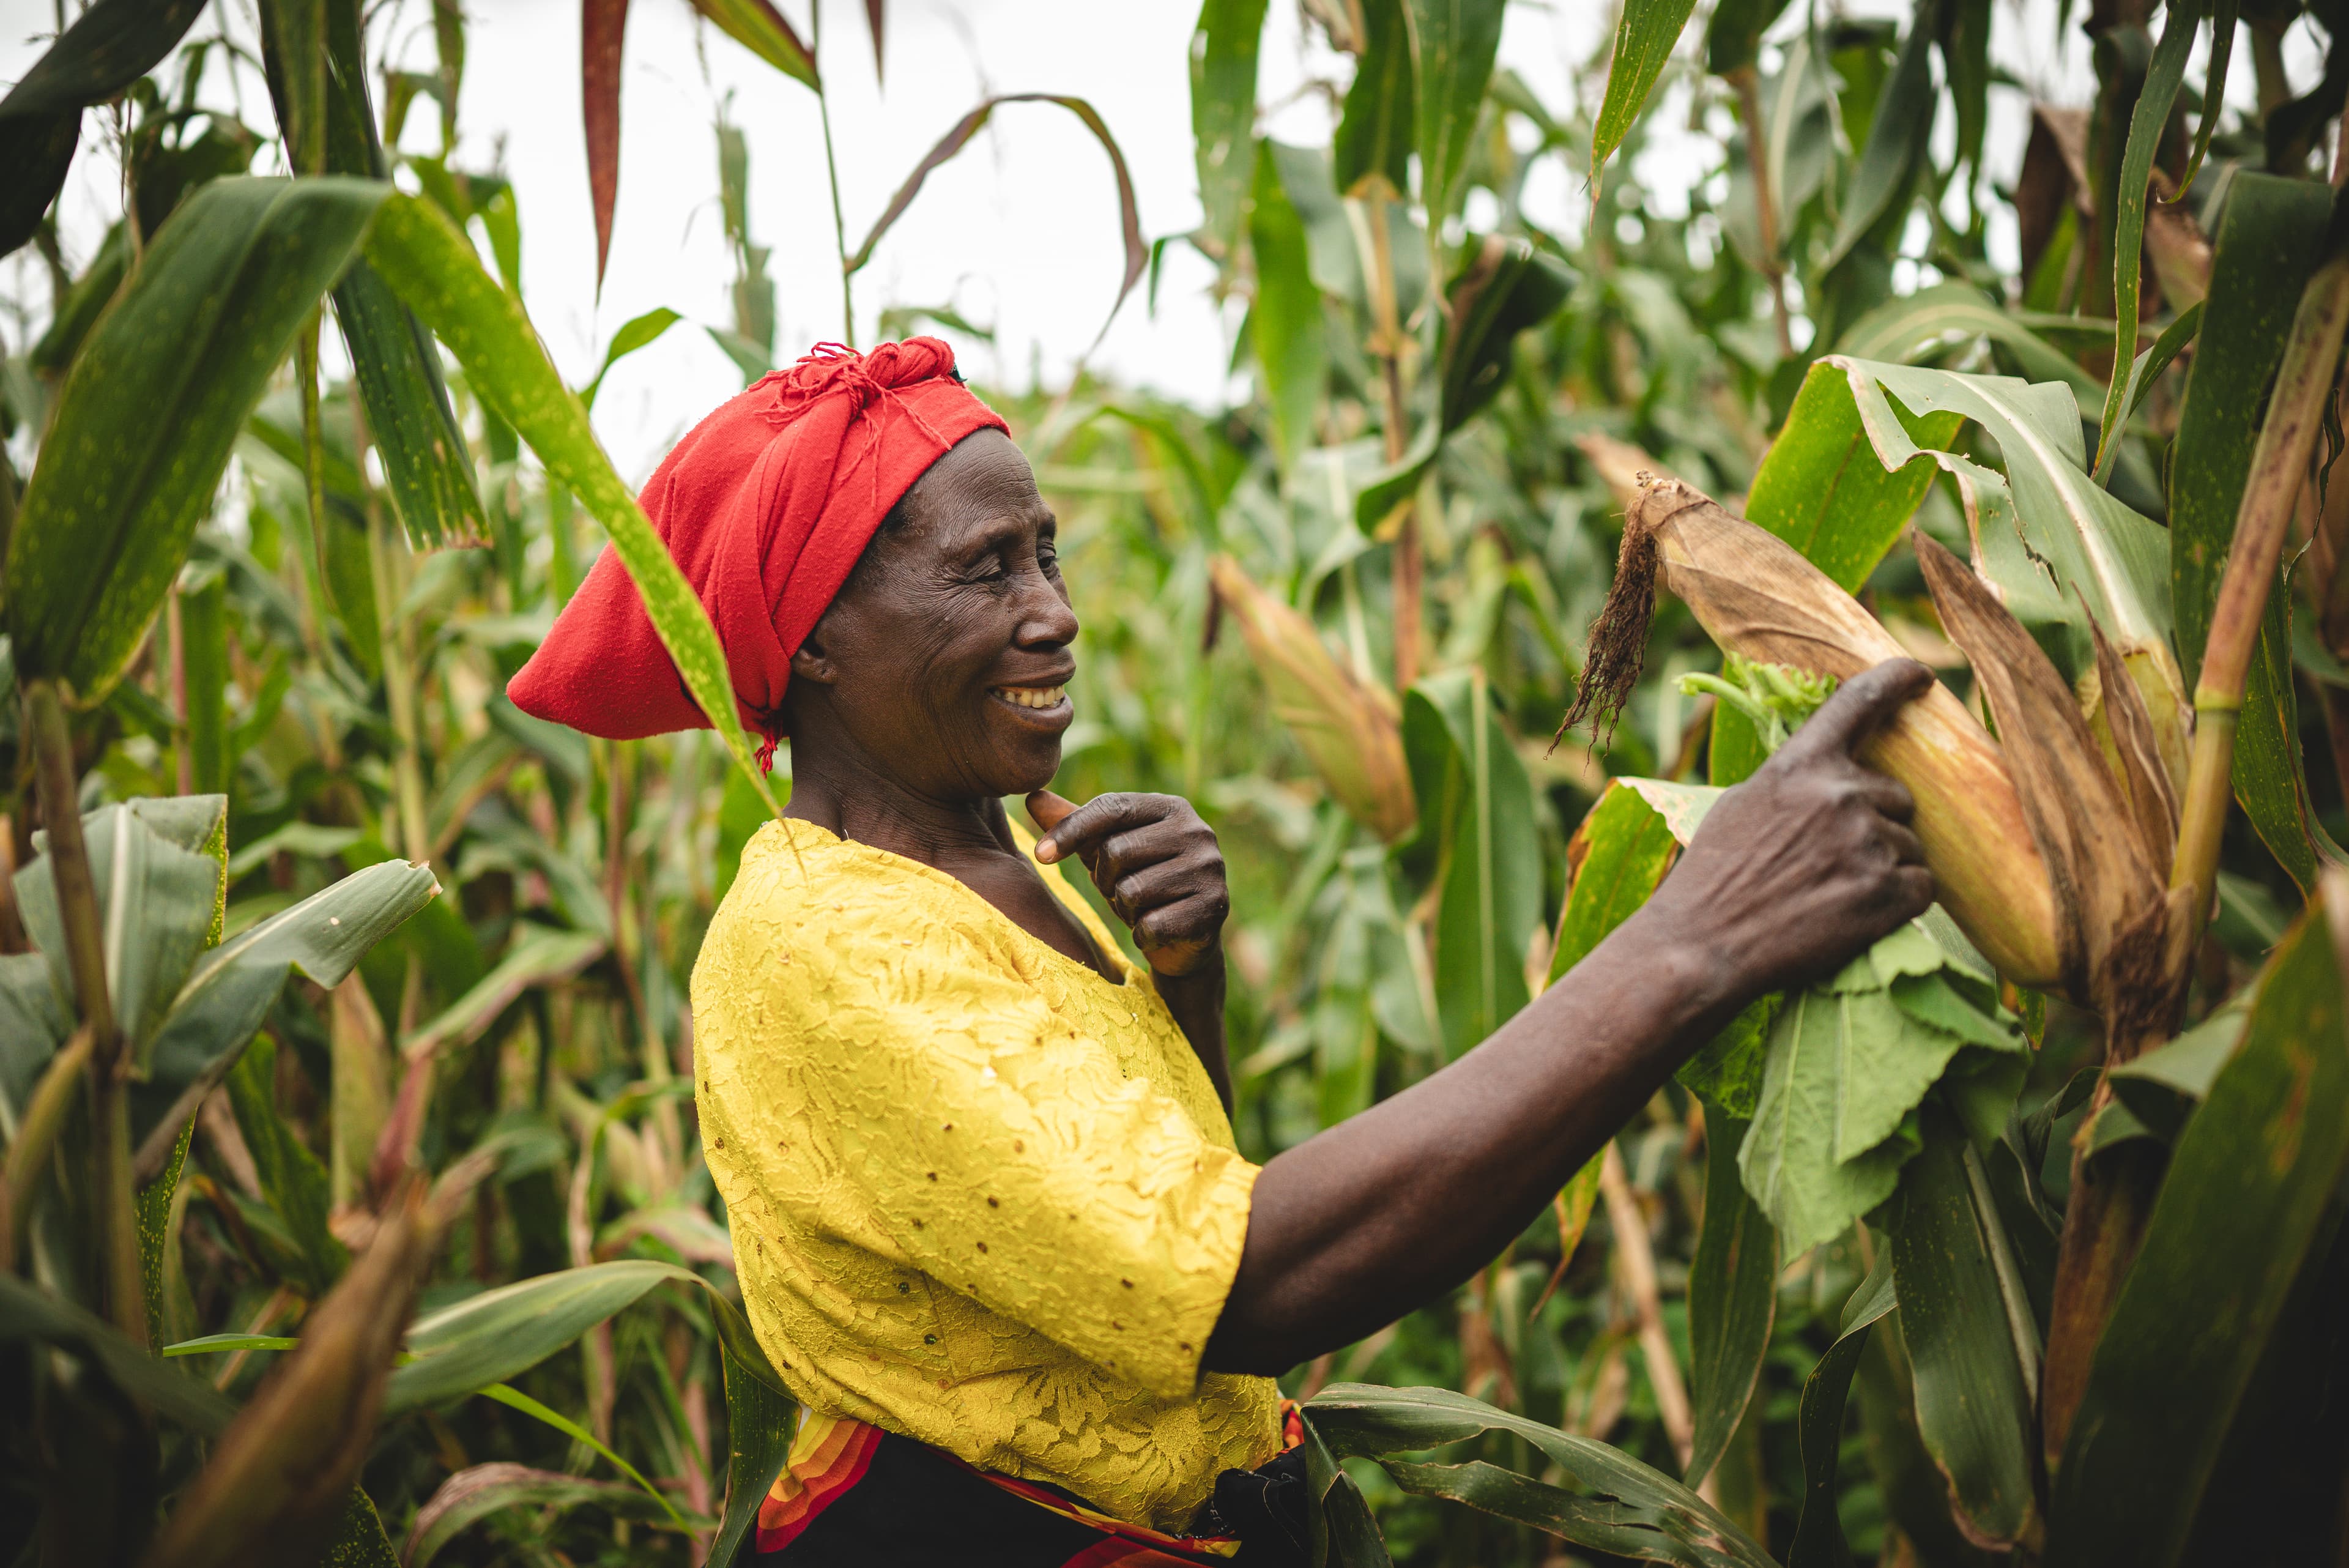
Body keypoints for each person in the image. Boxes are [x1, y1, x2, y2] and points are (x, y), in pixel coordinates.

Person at [508, 340, 1934, 1567]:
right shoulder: (821, 945)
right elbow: (1234, 1290)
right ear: (814, 641)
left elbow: (1116, 1228)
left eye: (1047, 550)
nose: (1054, 609)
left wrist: (1184, 975)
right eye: (983, 570)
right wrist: (1699, 933)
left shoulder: (1006, 867)